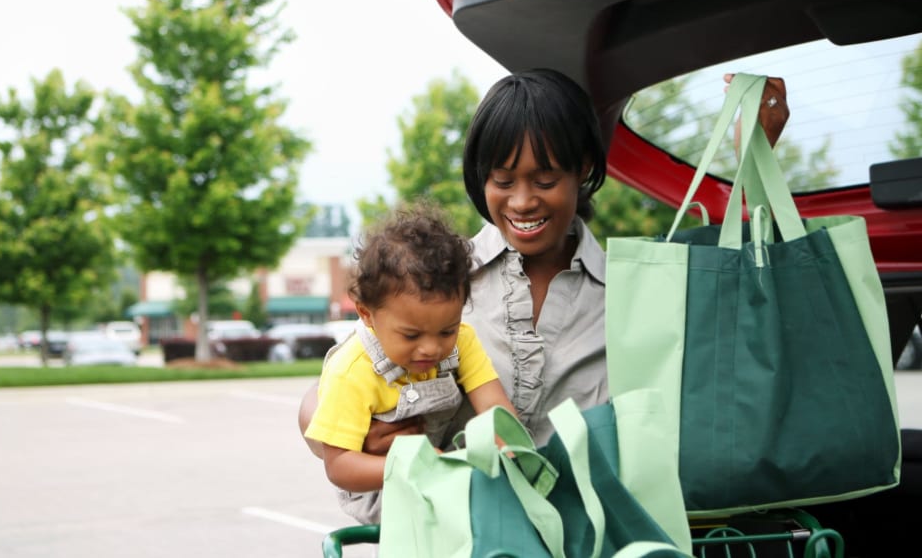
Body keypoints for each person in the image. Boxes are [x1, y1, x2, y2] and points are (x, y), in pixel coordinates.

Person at [300, 69, 789, 450]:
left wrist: (754, 158)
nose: (522, 202)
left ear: (583, 170)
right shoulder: (434, 280)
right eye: (503, 180)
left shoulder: (631, 290)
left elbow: (740, 312)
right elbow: (330, 392)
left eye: (546, 180)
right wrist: (353, 438)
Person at [303, 201, 518, 524]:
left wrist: (509, 448)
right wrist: (414, 463)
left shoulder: (462, 340)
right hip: (380, 488)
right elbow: (340, 466)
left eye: (446, 329)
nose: (430, 349)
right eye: (411, 335)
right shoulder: (353, 370)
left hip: (440, 470)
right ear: (366, 314)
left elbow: (494, 407)